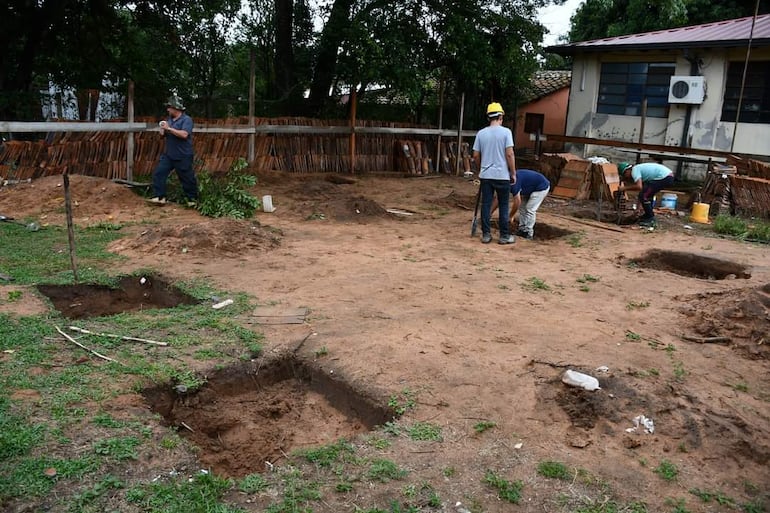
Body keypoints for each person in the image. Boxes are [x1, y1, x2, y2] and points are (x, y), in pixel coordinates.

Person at [472, 102, 516, 245]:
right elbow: (509, 154)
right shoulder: (506, 132)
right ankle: (504, 236)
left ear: (488, 117)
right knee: (503, 205)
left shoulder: (481, 133)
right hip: (502, 175)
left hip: (486, 175)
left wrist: (481, 169)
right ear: (500, 116)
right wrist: (513, 173)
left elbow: (475, 155)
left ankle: (486, 235)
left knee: (486, 204)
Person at [149, 96, 198, 206]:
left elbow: (184, 134)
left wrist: (169, 129)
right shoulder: (169, 120)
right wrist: (162, 130)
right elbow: (163, 135)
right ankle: (160, 197)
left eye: (169, 107)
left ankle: (192, 200)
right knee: (159, 173)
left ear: (176, 108)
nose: (168, 109)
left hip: (183, 155)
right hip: (169, 154)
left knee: (187, 178)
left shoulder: (186, 120)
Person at [491, 169, 550, 240]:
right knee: (522, 208)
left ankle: (529, 232)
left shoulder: (513, 182)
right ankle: (522, 230)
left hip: (541, 187)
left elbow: (517, 202)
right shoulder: (503, 182)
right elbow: (498, 198)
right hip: (529, 188)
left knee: (530, 209)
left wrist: (511, 216)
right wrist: (489, 213)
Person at [617, 161, 674, 227]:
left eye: (624, 175)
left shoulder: (634, 171)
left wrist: (624, 188)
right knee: (647, 194)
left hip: (664, 177)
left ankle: (650, 219)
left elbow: (639, 187)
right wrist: (637, 209)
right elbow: (641, 191)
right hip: (667, 176)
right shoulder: (640, 172)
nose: (626, 177)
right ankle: (648, 215)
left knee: (644, 196)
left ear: (626, 171)